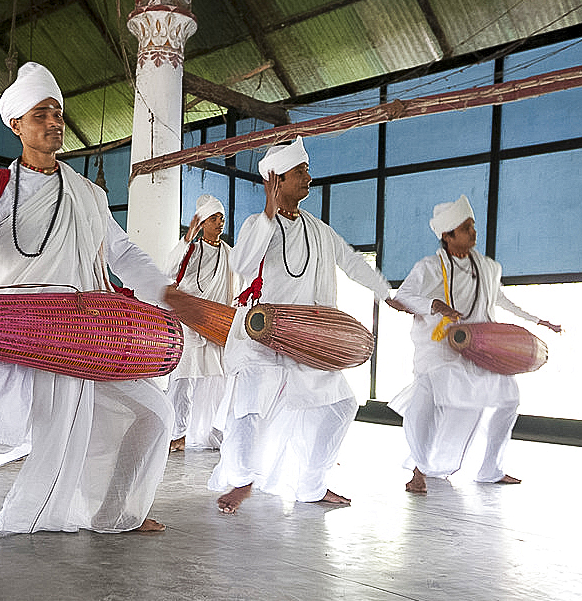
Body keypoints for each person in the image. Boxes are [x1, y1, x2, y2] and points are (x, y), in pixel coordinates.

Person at [0, 62, 179, 571]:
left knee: (155, 415)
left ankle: (116, 514)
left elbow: (124, 254)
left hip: (79, 339)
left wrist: (168, 294)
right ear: (16, 125)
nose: (54, 122)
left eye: (58, 112)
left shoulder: (89, 195)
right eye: (41, 113)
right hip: (9, 333)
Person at [209, 136, 408, 514]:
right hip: (260, 335)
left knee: (342, 405)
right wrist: (268, 211)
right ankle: (240, 480)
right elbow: (242, 264)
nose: (308, 176)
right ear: (277, 181)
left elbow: (352, 263)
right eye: (300, 170)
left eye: (307, 169)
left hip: (307, 339)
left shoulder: (319, 230)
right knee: (248, 408)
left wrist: (388, 294)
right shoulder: (257, 223)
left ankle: (312, 485)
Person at [390, 195, 560, 493]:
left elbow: (501, 299)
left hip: (480, 348)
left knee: (509, 398)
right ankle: (420, 468)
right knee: (436, 405)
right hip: (438, 349)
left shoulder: (488, 268)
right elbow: (398, 299)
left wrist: (537, 320)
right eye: (466, 227)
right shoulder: (428, 268)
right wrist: (434, 305)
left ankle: (491, 469)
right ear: (448, 235)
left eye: (473, 226)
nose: (474, 232)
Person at [163, 194, 236, 451]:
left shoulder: (230, 253)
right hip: (190, 322)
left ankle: (210, 433)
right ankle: (176, 433)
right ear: (202, 222)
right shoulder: (191, 249)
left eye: (222, 218)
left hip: (217, 325)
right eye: (214, 218)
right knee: (182, 379)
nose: (219, 223)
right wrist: (186, 239)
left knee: (217, 381)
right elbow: (168, 269)